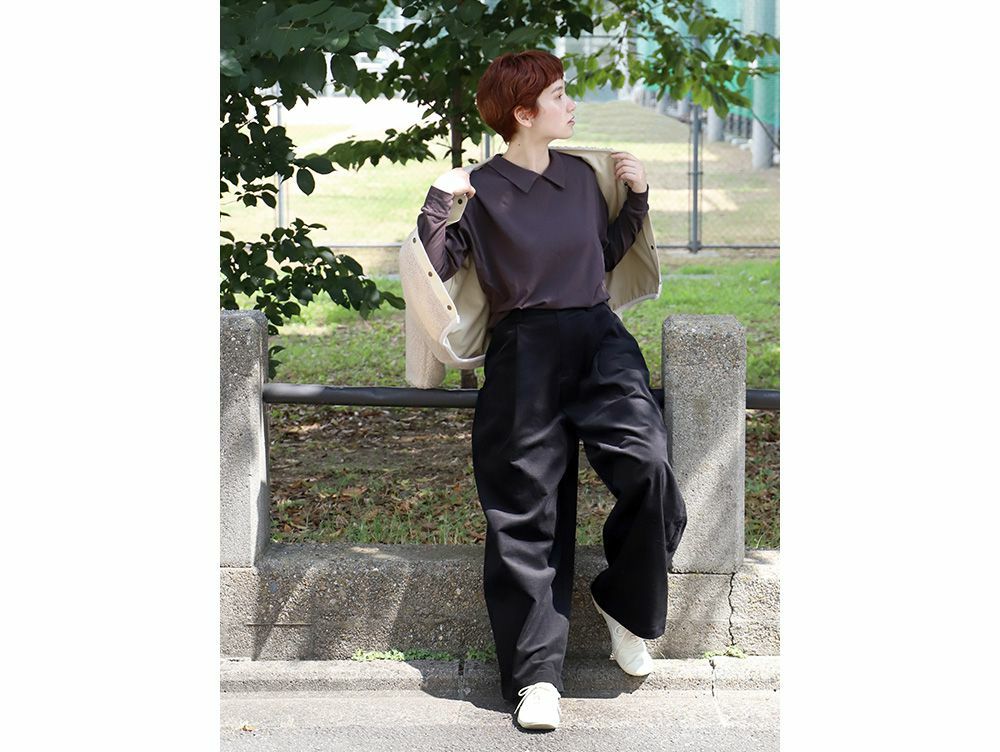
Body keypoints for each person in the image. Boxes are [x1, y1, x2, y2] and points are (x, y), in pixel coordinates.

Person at [415, 50, 688, 731]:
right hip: (524, 351)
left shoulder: (583, 177)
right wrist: (439, 201)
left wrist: (639, 198)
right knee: (525, 508)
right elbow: (435, 267)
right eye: (560, 95)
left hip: (598, 341)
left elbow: (601, 254)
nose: (571, 105)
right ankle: (536, 677)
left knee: (649, 465)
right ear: (523, 112)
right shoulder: (479, 189)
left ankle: (625, 606)